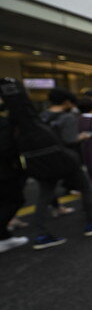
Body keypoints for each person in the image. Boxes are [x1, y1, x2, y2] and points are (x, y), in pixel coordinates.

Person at [34, 88, 92, 248]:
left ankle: (41, 234)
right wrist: (82, 136)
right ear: (66, 102)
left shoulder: (41, 116)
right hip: (66, 159)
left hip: (44, 161)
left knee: (44, 195)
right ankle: (91, 223)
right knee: (86, 188)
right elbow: (70, 139)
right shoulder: (67, 117)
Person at [0, 95, 28, 253]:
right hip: (5, 171)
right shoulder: (4, 124)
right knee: (14, 200)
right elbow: (6, 148)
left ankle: (5, 237)